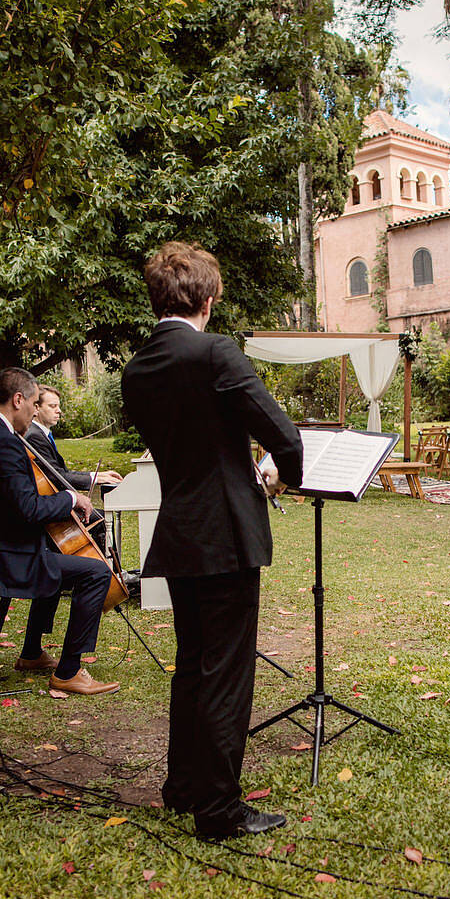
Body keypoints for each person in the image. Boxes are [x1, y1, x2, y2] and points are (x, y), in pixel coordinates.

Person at [121, 241, 304, 838]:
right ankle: (219, 809)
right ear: (206, 298)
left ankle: (183, 786)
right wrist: (283, 476)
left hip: (179, 531)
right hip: (225, 531)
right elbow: (286, 438)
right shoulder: (215, 352)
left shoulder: (137, 368)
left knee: (193, 666)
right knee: (226, 670)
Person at [0, 367, 120, 696]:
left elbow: (3, 502)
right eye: (34, 403)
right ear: (18, 399)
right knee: (95, 572)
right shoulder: (4, 443)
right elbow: (28, 509)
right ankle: (69, 672)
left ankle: (31, 653)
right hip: (0, 561)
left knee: (55, 556)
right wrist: (69, 497)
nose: (35, 410)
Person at [24, 384, 122, 545]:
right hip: (48, 507)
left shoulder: (41, 434)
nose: (59, 411)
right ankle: (104, 568)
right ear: (36, 408)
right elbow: (56, 476)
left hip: (53, 501)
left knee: (101, 517)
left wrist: (98, 476)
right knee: (101, 520)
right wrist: (94, 478)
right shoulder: (35, 436)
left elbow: (60, 472)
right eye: (52, 406)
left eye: (59, 406)